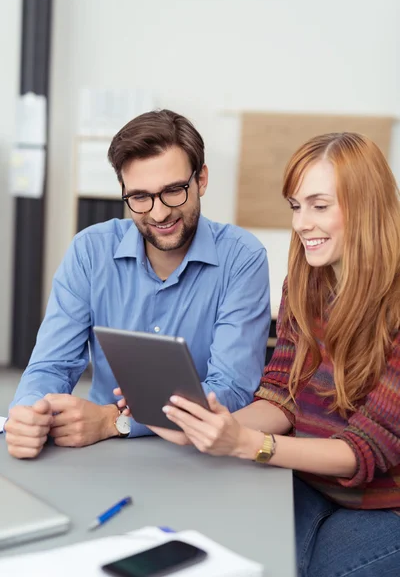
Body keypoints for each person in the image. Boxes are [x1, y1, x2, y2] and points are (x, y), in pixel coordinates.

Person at [141, 132, 400, 576]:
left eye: (319, 206)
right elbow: (282, 396)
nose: (301, 223)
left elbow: (364, 450)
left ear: (367, 206)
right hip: (302, 479)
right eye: (296, 206)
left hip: (383, 504)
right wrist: (211, 426)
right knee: (225, 550)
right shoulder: (305, 282)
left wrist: (248, 444)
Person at [6, 109, 270, 460]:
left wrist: (116, 421)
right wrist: (29, 413)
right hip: (102, 452)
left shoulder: (242, 257)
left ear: (201, 180)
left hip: (202, 455)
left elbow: (232, 388)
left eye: (174, 191)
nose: (159, 213)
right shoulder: (90, 250)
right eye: (140, 197)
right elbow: (52, 365)